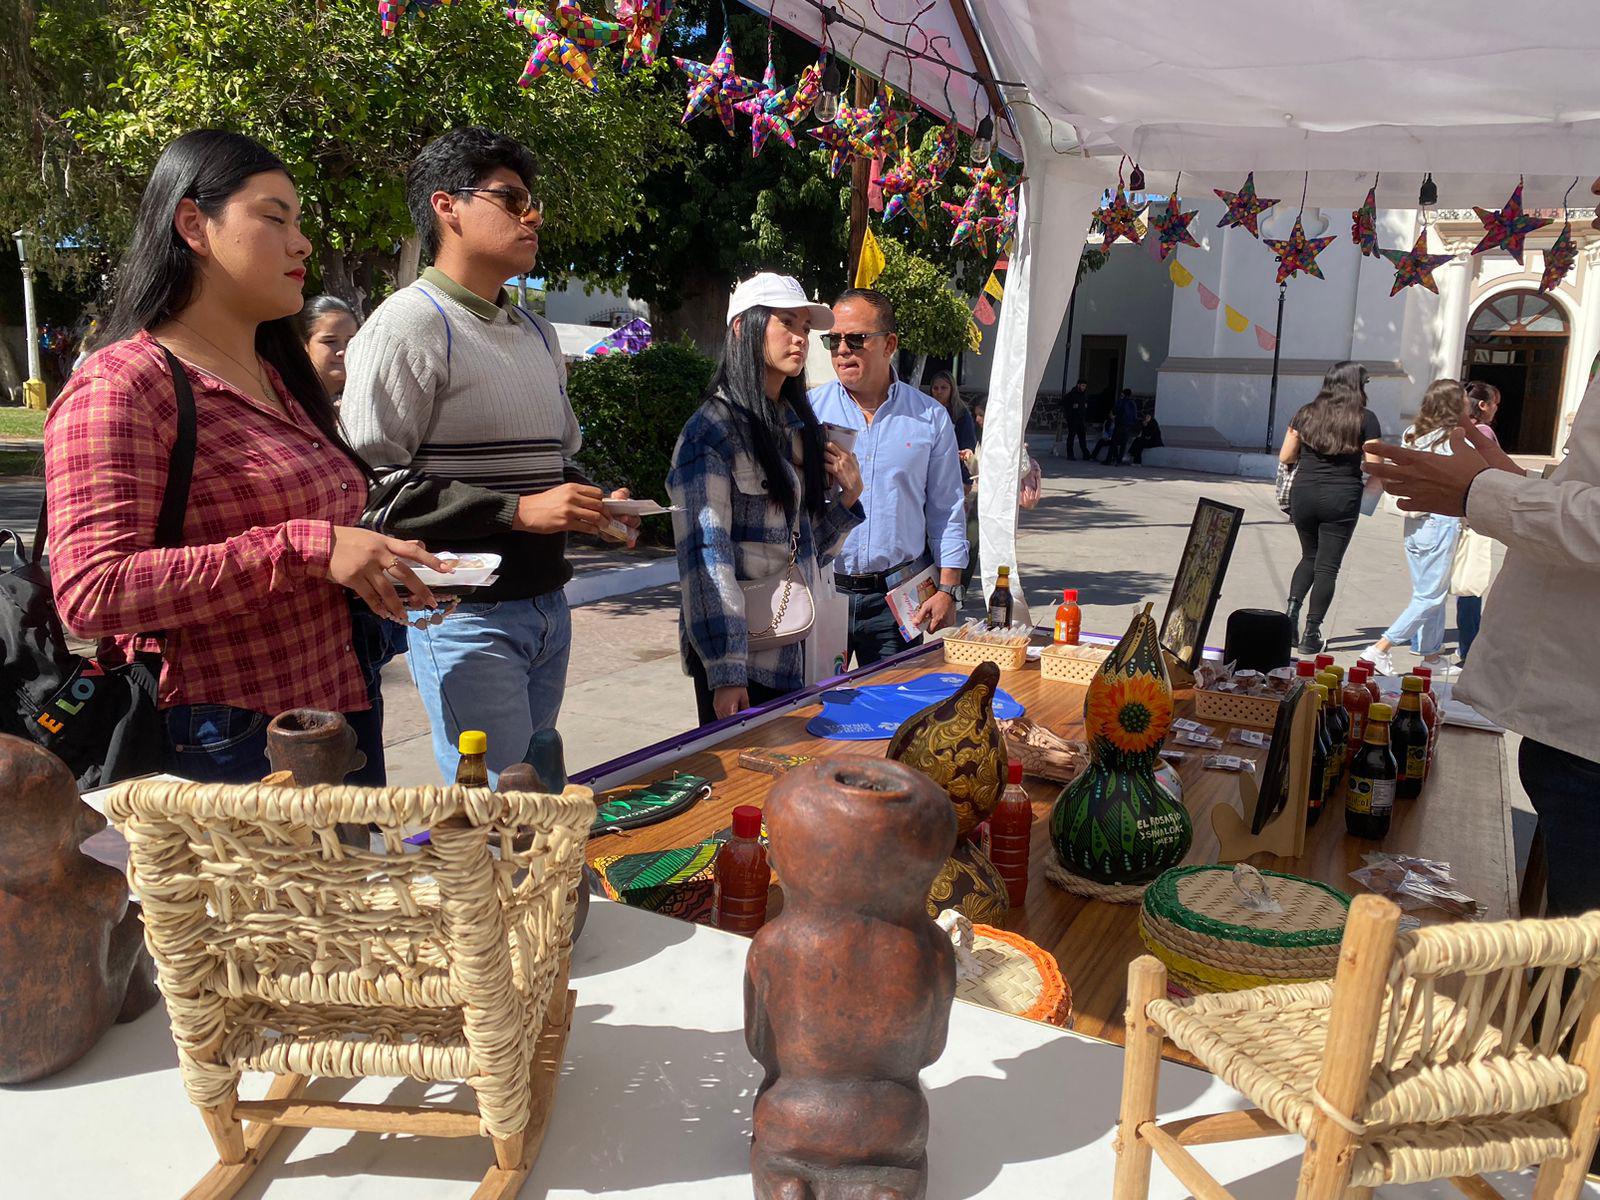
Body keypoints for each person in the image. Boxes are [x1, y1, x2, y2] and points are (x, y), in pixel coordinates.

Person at [43, 129, 442, 783]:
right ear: (194, 224)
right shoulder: (125, 384)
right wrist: (303, 548)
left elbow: (313, 541)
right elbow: (92, 593)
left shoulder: (277, 376)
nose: (302, 243)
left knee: (346, 888)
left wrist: (378, 569)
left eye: (300, 223)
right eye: (274, 218)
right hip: (222, 740)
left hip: (335, 710)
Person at [340, 126, 638, 783]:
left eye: (534, 202)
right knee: (501, 820)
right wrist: (521, 511)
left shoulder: (535, 329)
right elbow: (366, 490)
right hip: (463, 616)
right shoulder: (409, 324)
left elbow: (555, 461)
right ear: (447, 206)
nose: (531, 216)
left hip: (546, 609)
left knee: (540, 801)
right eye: (511, 199)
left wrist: (593, 502)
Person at [1365, 372, 1600, 922]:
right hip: (1567, 720)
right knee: (1557, 948)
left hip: (1585, 730)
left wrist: (1486, 493)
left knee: (1576, 971)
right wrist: (1508, 482)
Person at [667, 274, 864, 725]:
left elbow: (807, 549)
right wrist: (726, 671)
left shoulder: (796, 427)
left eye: (804, 328)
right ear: (743, 329)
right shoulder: (711, 432)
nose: (799, 338)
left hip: (798, 646)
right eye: (786, 323)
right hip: (743, 660)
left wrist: (849, 501)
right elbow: (705, 561)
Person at [809, 289, 967, 666]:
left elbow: (946, 509)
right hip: (824, 592)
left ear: (889, 344)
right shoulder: (810, 413)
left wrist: (948, 589)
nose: (842, 350)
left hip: (898, 600)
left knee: (897, 714)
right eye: (833, 340)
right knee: (816, 715)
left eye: (856, 339)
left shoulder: (928, 417)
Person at [1359, 379, 1469, 676]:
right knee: (1431, 595)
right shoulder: (1454, 439)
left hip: (1416, 521)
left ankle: (1431, 656)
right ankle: (1379, 649)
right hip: (1441, 519)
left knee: (1428, 591)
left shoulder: (1413, 433)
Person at [1278, 384, 1383, 653]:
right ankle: (1311, 634)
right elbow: (1374, 464)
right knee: (1327, 567)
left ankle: (1290, 617)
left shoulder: (1305, 414)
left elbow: (1286, 455)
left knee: (1309, 556)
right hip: (1342, 496)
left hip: (1304, 493)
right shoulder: (1365, 418)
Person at [1453, 381, 1501, 661]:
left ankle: (1464, 646)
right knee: (1472, 582)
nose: (1495, 409)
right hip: (1475, 514)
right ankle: (1469, 650)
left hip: (1456, 512)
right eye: (1494, 403)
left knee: (1462, 584)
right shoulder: (1483, 433)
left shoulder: (1458, 432)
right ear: (1482, 405)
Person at [298, 294, 359, 403]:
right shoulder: (288, 400)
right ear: (304, 344)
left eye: (350, 341)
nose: (343, 351)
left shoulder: (367, 395)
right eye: (330, 341)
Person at [1110, 388, 1140, 464]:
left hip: (1120, 423)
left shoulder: (1121, 401)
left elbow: (1115, 410)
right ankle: (1119, 460)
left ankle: (1109, 459)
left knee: (1113, 442)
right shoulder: (1133, 403)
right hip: (1128, 425)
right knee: (1124, 443)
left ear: (1123, 394)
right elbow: (1135, 416)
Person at [1062, 379, 1091, 459]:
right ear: (1078, 385)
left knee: (1082, 437)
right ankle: (1070, 454)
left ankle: (1086, 454)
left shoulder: (1084, 395)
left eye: (1085, 386)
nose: (1084, 388)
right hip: (1073, 419)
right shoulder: (1071, 394)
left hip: (1081, 419)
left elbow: (1085, 404)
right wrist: (1072, 408)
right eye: (1082, 386)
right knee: (1071, 436)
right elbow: (1064, 403)